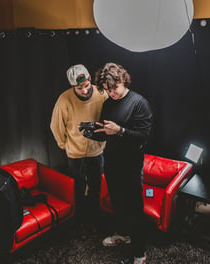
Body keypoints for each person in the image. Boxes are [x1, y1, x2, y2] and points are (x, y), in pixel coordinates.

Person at [93, 62, 153, 264]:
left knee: (135, 210)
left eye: (114, 88)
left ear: (122, 80)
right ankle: (122, 234)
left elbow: (143, 136)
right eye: (107, 90)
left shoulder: (139, 103)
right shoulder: (108, 103)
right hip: (111, 162)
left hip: (131, 166)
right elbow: (106, 134)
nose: (112, 93)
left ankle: (140, 253)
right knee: (117, 204)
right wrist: (93, 133)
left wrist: (119, 130)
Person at [50, 64, 108, 228]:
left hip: (97, 150)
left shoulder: (101, 94)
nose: (83, 90)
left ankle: (96, 216)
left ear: (90, 80)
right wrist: (64, 145)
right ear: (72, 86)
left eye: (86, 86)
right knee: (78, 187)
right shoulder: (64, 99)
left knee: (97, 186)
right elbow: (56, 126)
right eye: (79, 88)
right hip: (75, 152)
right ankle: (80, 220)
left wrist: (103, 139)